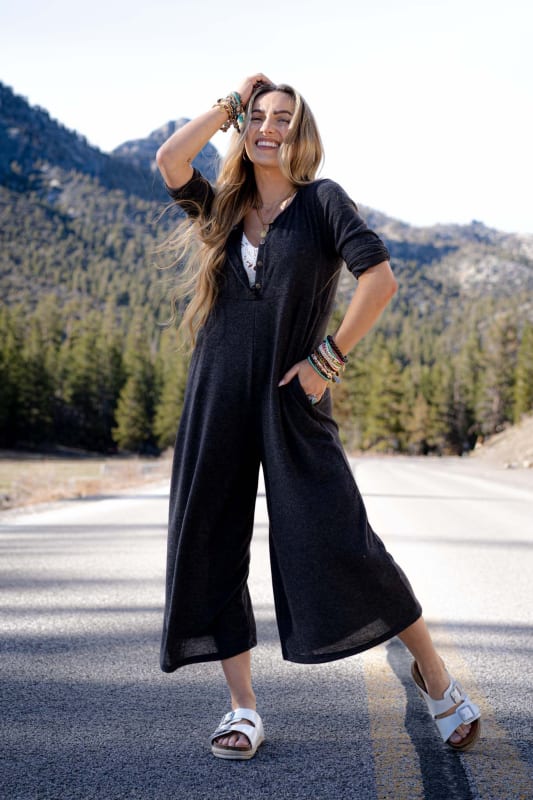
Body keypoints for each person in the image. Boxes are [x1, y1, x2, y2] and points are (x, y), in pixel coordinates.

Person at [156, 73, 481, 760]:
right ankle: (242, 707)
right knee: (210, 543)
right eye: (257, 117)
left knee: (340, 537)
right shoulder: (221, 208)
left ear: (301, 133)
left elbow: (380, 280)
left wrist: (326, 359)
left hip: (292, 398)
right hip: (217, 394)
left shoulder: (322, 202)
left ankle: (434, 675)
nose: (268, 128)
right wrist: (227, 104)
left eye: (283, 118)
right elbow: (170, 159)